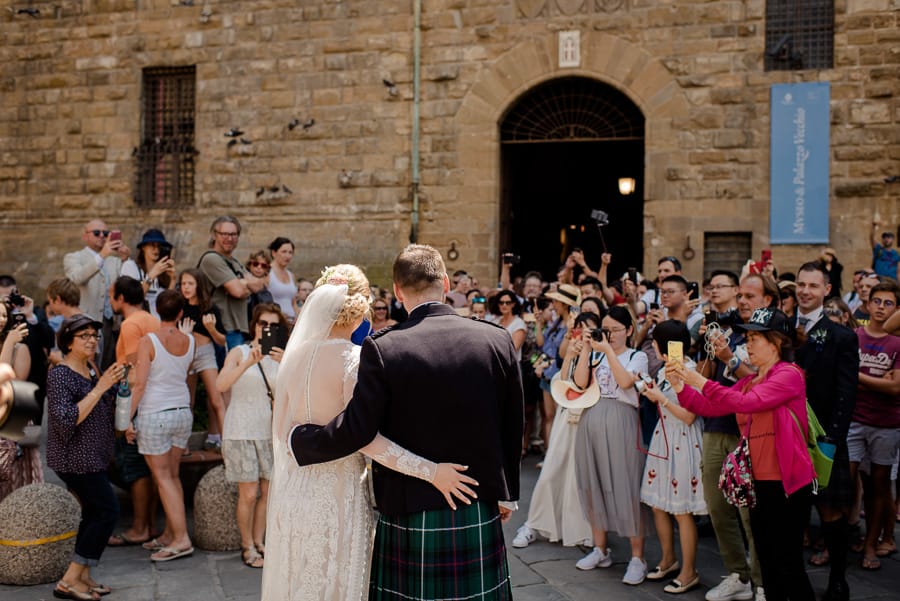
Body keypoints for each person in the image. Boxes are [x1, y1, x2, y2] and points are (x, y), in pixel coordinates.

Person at [286, 252, 523, 601]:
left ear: (398, 292)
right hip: (477, 498)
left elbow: (358, 430)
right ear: (444, 283)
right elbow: (512, 422)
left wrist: (303, 441)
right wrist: (508, 493)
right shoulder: (496, 339)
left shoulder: (383, 348)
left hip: (410, 509)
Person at [669, 308, 815, 601]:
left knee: (788, 564)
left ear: (775, 343)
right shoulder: (751, 379)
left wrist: (699, 382)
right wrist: (679, 386)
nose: (747, 344)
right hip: (759, 482)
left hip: (787, 483)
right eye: (747, 337)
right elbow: (712, 407)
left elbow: (747, 402)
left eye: (754, 338)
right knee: (768, 560)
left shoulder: (789, 375)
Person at [697, 274, 775, 601]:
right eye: (740, 295)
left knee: (750, 512)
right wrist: (709, 351)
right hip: (716, 426)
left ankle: (761, 582)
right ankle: (737, 574)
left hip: (751, 430)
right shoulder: (726, 329)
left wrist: (729, 357)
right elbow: (705, 376)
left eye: (749, 295)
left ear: (767, 300)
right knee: (717, 506)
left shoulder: (772, 336)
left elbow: (758, 385)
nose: (742, 301)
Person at [46, 314, 126, 600]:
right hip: (75, 458)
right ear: (68, 342)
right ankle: (68, 581)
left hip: (95, 455)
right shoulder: (59, 375)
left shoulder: (91, 369)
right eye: (85, 336)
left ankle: (83, 576)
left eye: (94, 335)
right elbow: (66, 419)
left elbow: (104, 402)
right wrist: (102, 386)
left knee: (93, 513)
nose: (92, 340)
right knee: (107, 511)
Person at [571, 305, 651, 584]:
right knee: (592, 482)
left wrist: (606, 351)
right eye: (606, 330)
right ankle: (599, 548)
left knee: (626, 484)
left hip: (622, 420)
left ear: (629, 330)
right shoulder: (594, 354)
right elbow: (580, 384)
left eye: (616, 330)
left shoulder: (637, 356)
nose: (610, 335)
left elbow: (626, 382)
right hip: (591, 417)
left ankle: (638, 556)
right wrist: (584, 350)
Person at [794, 262, 859, 601]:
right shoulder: (781, 330)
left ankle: (837, 578)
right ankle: (794, 580)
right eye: (801, 284)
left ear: (826, 290)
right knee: (793, 513)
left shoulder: (842, 337)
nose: (805, 291)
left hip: (823, 439)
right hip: (786, 435)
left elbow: (847, 394)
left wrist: (832, 439)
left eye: (812, 286)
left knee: (831, 512)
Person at [512, 312, 599, 550]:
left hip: (589, 419)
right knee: (551, 472)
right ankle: (533, 524)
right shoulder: (572, 349)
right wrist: (571, 353)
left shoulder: (601, 355)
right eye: (579, 328)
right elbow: (562, 382)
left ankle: (579, 529)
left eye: (588, 328)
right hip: (566, 418)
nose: (583, 333)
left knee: (578, 478)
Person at [125, 290, 195, 562]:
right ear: (180, 313)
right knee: (172, 477)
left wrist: (126, 418)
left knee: (163, 479)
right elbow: (188, 377)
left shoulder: (148, 340)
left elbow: (140, 384)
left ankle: (181, 539)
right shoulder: (190, 341)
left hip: (155, 414)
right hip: (181, 413)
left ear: (156, 311)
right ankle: (169, 533)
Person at [216, 303, 285, 569]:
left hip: (269, 433)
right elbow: (221, 385)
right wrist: (247, 363)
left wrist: (285, 364)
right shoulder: (239, 352)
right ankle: (246, 546)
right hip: (241, 430)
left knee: (268, 492)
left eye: (274, 326)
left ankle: (259, 541)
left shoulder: (283, 356)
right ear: (254, 326)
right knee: (248, 493)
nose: (267, 329)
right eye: (263, 324)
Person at [640, 320, 707, 594]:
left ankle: (689, 571)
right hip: (664, 436)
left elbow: (690, 416)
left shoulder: (689, 371)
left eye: (655, 342)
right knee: (658, 505)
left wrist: (660, 398)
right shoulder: (668, 368)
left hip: (683, 440)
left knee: (681, 511)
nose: (652, 347)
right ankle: (668, 558)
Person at [847, 282, 900, 571]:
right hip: (855, 420)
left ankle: (871, 543)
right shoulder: (854, 336)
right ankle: (840, 542)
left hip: (886, 424)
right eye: (876, 301)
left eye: (888, 303)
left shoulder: (898, 343)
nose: (880, 307)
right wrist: (881, 382)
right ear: (867, 306)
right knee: (846, 481)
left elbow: (896, 389)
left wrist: (860, 377)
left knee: (878, 487)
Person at [106, 276, 161, 548]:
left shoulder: (130, 325)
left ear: (121, 298)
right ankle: (149, 524)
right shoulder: (152, 319)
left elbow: (132, 370)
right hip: (154, 398)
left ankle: (140, 527)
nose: (110, 300)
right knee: (147, 466)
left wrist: (126, 413)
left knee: (134, 465)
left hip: (135, 400)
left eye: (111, 295)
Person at [63, 219, 127, 367]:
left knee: (109, 365)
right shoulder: (74, 257)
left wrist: (125, 259)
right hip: (85, 322)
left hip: (112, 324)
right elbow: (76, 278)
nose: (102, 236)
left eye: (105, 233)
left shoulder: (114, 261)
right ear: (85, 236)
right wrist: (102, 256)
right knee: (87, 365)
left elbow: (125, 285)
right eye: (97, 233)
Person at [176, 268, 227, 450]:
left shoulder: (209, 307)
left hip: (205, 352)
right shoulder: (178, 306)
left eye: (190, 283)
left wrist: (212, 329)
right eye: (183, 284)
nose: (186, 287)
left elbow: (222, 340)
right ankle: (184, 446)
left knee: (216, 398)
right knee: (187, 401)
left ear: (198, 285)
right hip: (186, 353)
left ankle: (227, 444)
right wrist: (184, 336)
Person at [197, 216, 266, 350]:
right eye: (225, 234)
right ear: (214, 235)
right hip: (223, 330)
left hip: (240, 328)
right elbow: (238, 291)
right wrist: (244, 284)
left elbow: (259, 285)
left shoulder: (235, 262)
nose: (229, 238)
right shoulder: (211, 259)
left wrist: (242, 283)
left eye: (234, 234)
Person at [0, 300, 42, 503]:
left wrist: (9, 343)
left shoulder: (19, 348)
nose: (0, 320)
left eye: (3, 315)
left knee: (12, 484)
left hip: (11, 422)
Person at [120, 229, 175, 318]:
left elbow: (168, 304)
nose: (156, 249)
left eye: (159, 246)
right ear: (143, 247)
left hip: (159, 324)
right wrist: (151, 276)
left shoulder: (164, 272)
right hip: (137, 322)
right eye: (152, 245)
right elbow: (132, 300)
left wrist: (172, 279)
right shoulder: (130, 267)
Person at [267, 237, 298, 322]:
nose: (287, 256)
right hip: (274, 321)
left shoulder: (291, 275)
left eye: (290, 252)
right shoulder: (267, 273)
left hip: (292, 322)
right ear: (274, 253)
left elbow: (293, 302)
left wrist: (298, 315)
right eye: (284, 252)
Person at [490, 289, 527, 360]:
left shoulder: (519, 324)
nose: (504, 305)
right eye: (501, 302)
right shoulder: (494, 321)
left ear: (513, 304)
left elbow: (513, 350)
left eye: (508, 302)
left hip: (511, 366)